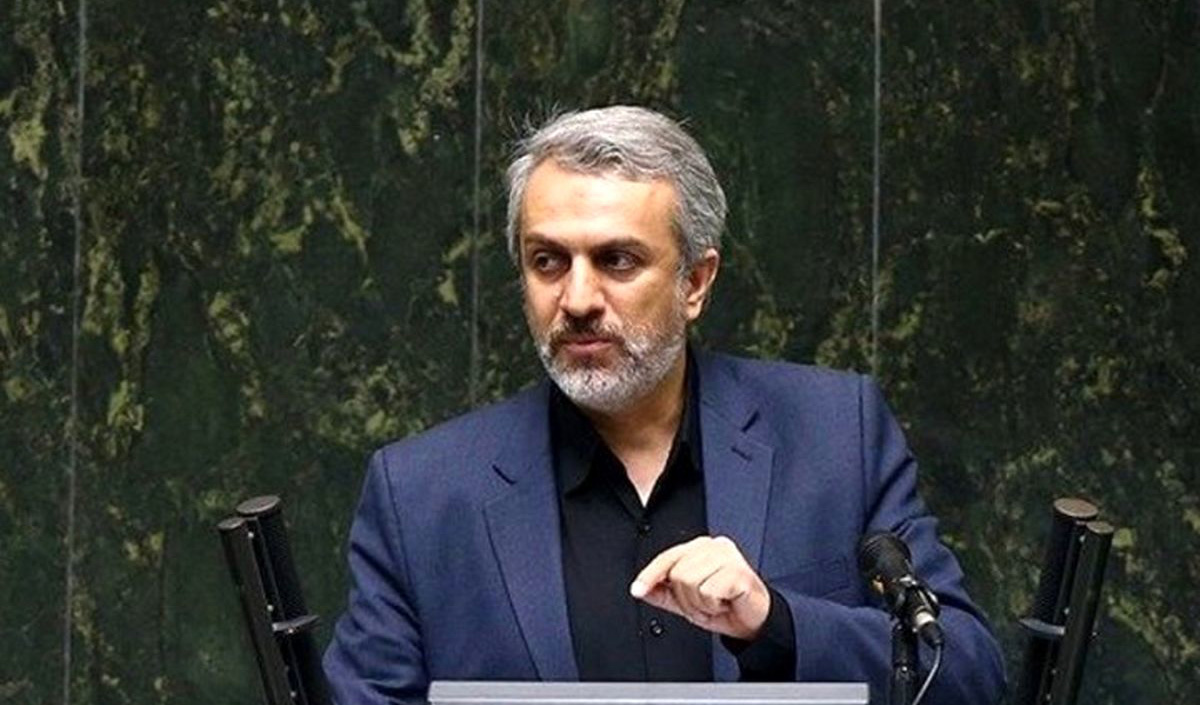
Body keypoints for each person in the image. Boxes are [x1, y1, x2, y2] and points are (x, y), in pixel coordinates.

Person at [322, 106, 1006, 704]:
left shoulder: (835, 436)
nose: (578, 299)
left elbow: (967, 674)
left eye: (617, 260)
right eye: (548, 261)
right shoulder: (422, 494)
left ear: (695, 282)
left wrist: (776, 623)